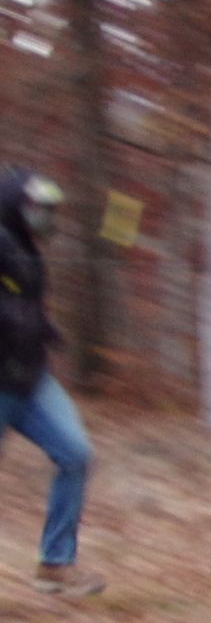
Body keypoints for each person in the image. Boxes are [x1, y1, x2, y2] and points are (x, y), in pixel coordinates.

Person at [0, 168, 103, 596]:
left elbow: (23, 306)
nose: (46, 218)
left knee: (75, 454)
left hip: (31, 379)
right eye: (39, 208)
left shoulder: (28, 250)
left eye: (50, 210)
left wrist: (42, 329)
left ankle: (56, 565)